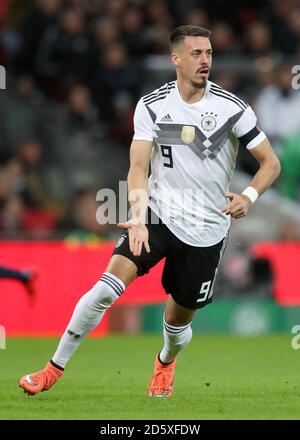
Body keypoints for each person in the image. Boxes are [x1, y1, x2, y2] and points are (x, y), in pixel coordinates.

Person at [19, 25, 281, 397]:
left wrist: (249, 197)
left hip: (207, 229)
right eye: (195, 53)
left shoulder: (231, 108)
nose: (204, 60)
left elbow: (270, 163)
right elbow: (138, 168)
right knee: (104, 290)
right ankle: (51, 369)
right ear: (175, 59)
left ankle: (165, 362)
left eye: (208, 53)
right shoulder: (153, 105)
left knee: (177, 322)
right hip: (158, 215)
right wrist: (139, 219)